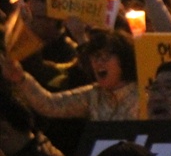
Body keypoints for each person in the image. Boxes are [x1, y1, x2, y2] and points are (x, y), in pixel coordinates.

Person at [1, 27, 140, 122]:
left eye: (106, 57)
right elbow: (51, 104)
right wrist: (21, 79)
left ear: (123, 60)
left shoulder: (143, 96)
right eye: (95, 57)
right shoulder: (93, 95)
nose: (98, 63)